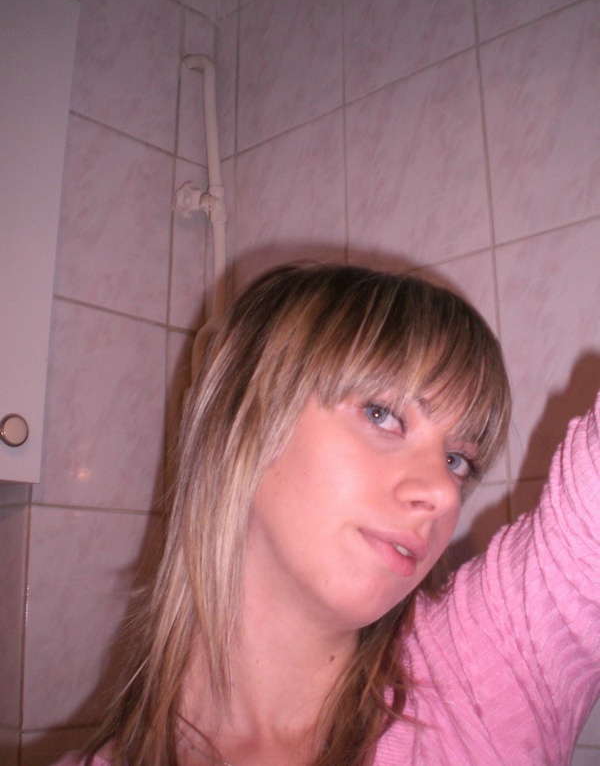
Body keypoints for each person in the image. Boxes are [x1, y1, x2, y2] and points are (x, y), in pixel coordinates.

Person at [55, 263, 599, 766]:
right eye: (381, 414)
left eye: (457, 460)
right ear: (242, 423)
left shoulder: (487, 673)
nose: (443, 493)